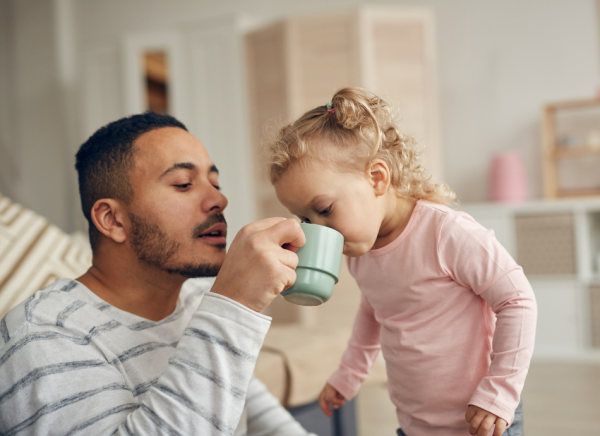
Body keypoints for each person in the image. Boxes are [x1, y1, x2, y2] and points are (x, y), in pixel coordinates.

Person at [0, 112, 316, 435]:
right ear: (112, 219)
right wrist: (234, 306)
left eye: (215, 183)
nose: (219, 199)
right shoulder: (44, 337)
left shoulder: (195, 298)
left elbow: (254, 414)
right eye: (183, 184)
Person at [266, 87, 537, 436]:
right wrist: (349, 373)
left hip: (481, 421)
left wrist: (499, 391)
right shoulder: (360, 255)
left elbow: (517, 300)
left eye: (324, 210)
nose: (318, 232)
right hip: (415, 423)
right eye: (305, 220)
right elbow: (373, 311)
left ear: (377, 178)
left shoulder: (446, 233)